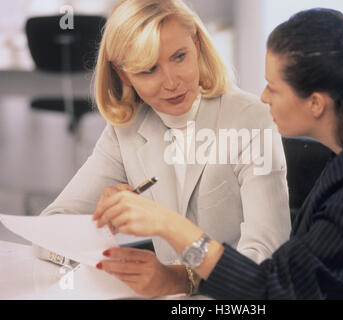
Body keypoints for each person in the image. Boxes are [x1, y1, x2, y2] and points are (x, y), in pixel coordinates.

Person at [94, 8, 343, 299]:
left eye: (274, 87)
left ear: (316, 103)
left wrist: (169, 225)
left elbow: (272, 290)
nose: (262, 97)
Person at [34, 0, 291, 297]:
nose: (171, 82)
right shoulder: (125, 130)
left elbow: (265, 258)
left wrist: (182, 277)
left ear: (196, 45)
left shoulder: (251, 117)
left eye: (179, 56)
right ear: (123, 75)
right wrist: (99, 228)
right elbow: (49, 230)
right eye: (148, 69)